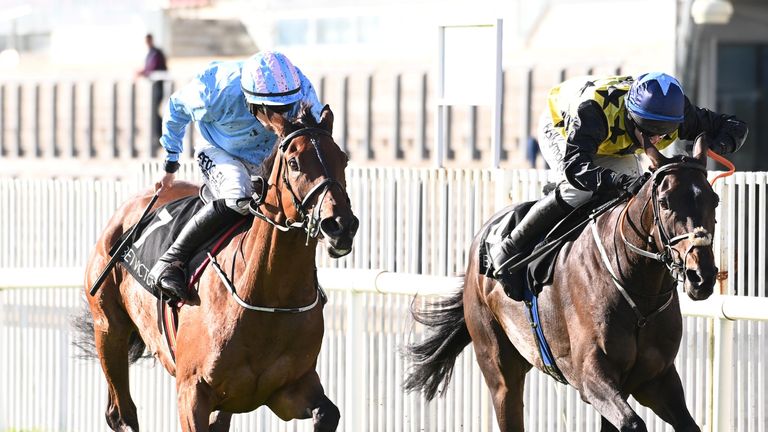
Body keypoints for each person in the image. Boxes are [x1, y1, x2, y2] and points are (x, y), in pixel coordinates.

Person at [489, 72, 748, 298]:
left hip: (614, 140)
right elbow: (576, 167)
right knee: (579, 189)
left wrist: (716, 146)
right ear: (632, 116)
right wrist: (619, 182)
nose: (657, 137)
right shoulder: (592, 112)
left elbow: (735, 125)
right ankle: (510, 246)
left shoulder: (680, 113)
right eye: (649, 129)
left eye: (665, 130)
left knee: (634, 198)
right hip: (564, 129)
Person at [148, 51, 323, 302]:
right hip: (220, 150)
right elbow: (176, 109)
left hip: (267, 156)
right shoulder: (217, 89)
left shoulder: (300, 89)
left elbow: (316, 137)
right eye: (275, 110)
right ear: (252, 102)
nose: (283, 117)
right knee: (239, 197)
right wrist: (170, 164)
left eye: (286, 108)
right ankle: (170, 260)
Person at [136, 33, 168, 144]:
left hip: (158, 86)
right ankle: (158, 135)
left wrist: (143, 72)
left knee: (154, 112)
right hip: (153, 86)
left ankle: (161, 134)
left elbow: (154, 68)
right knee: (153, 112)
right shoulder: (151, 53)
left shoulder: (156, 53)